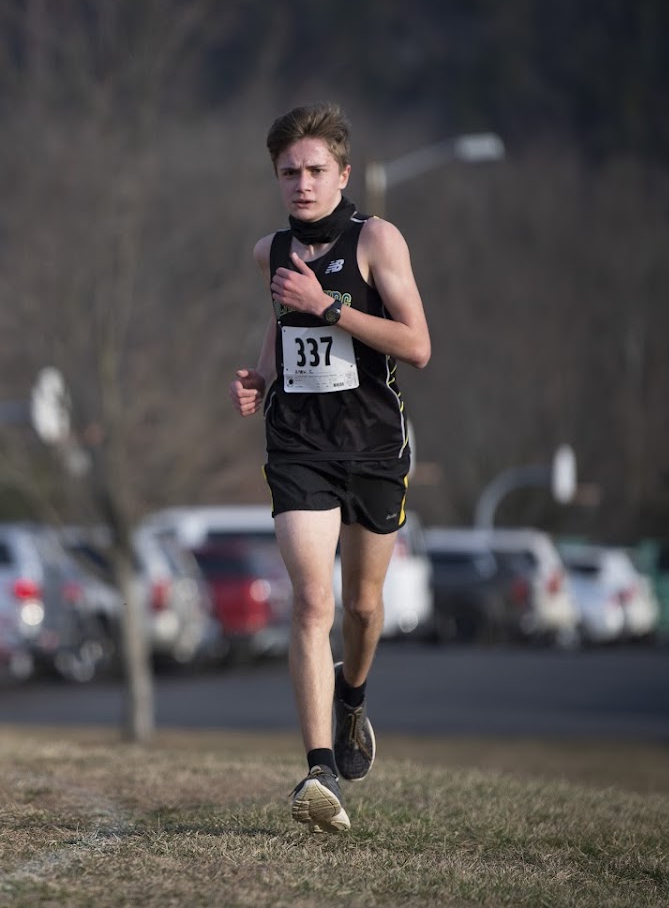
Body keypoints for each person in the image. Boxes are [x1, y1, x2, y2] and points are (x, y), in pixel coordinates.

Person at [229, 102, 431, 834]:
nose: (303, 184)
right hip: (298, 445)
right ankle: (318, 771)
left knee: (361, 608)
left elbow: (417, 345)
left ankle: (353, 698)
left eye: (316, 171)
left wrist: (330, 306)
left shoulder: (376, 240)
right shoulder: (271, 252)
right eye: (290, 173)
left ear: (343, 174)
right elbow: (280, 324)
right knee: (312, 603)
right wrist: (259, 377)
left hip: (373, 445)